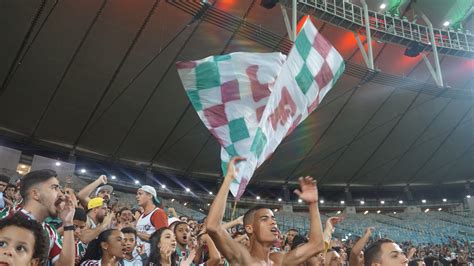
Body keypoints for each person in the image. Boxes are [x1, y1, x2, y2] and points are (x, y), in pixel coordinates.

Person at [206, 157, 325, 265]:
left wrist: (313, 204)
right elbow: (213, 227)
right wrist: (229, 178)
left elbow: (317, 245)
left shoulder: (280, 260)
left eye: (273, 218)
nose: (273, 222)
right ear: (249, 228)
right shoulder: (241, 256)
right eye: (264, 219)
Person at [0, 169, 75, 265]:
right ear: (35, 194)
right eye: (55, 188)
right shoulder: (4, 217)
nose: (61, 194)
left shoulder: (50, 231)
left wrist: (68, 223)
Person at [136, 185, 168, 255]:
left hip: (151, 258)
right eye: (137, 194)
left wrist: (137, 232)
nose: (137, 196)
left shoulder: (158, 213)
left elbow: (163, 238)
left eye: (140, 194)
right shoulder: (141, 216)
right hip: (139, 258)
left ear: (150, 196)